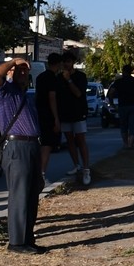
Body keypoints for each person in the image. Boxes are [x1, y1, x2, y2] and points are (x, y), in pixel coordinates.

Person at [0, 57, 47, 254]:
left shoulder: (25, 95)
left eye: (26, 71)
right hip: (16, 146)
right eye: (19, 70)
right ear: (11, 72)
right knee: (20, 195)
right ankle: (16, 242)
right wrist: (14, 61)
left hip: (31, 147)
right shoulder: (5, 91)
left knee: (31, 194)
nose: (23, 73)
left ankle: (27, 238)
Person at [55, 50, 92, 185]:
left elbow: (78, 94)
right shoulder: (58, 78)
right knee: (69, 140)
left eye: (68, 62)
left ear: (73, 63)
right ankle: (76, 164)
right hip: (65, 113)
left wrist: (69, 80)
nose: (66, 64)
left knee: (80, 140)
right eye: (64, 62)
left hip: (78, 113)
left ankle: (86, 168)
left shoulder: (81, 76)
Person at [34, 52, 64, 183]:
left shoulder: (40, 77)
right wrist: (56, 118)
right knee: (47, 145)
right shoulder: (53, 78)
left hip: (40, 112)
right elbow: (52, 97)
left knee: (42, 144)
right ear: (58, 64)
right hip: (49, 114)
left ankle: (39, 172)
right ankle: (41, 174)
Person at [107, 64, 134, 149]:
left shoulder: (118, 82)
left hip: (122, 106)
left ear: (123, 71)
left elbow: (110, 93)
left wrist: (112, 104)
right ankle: (130, 144)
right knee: (133, 126)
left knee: (123, 126)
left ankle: (125, 143)